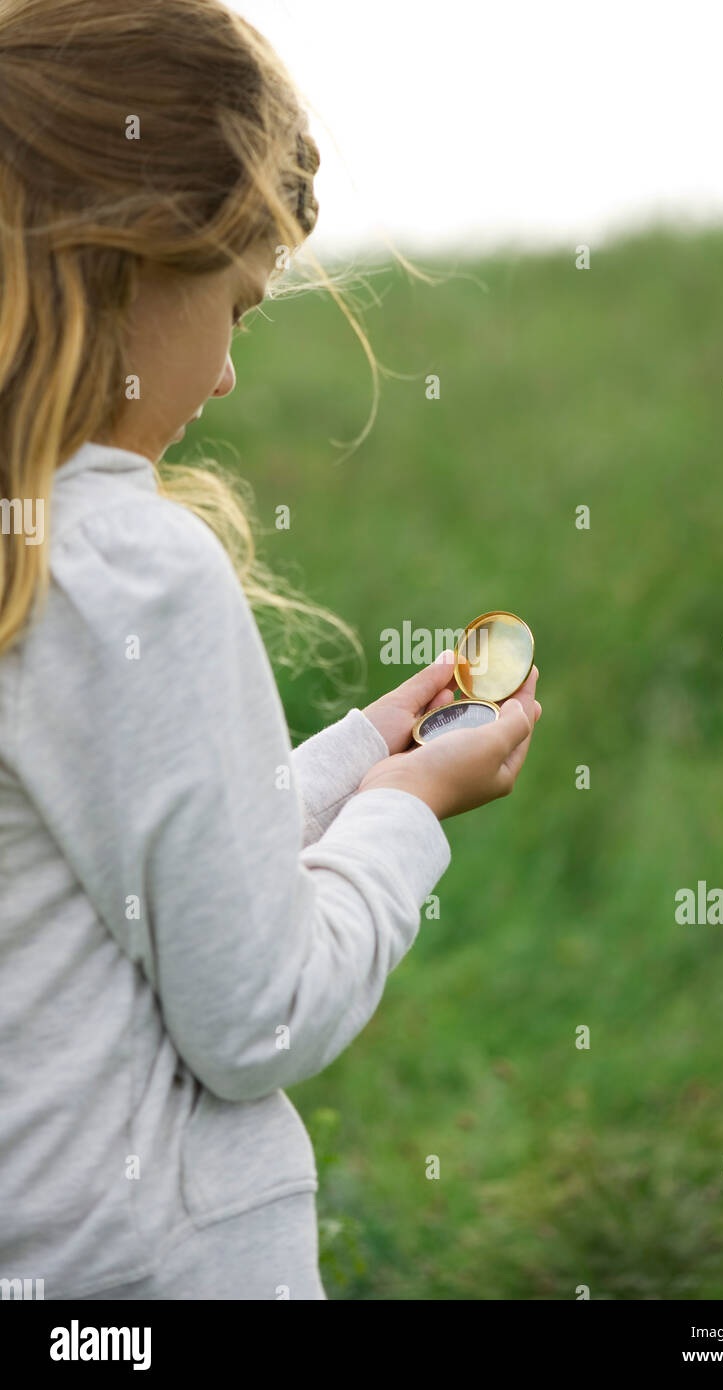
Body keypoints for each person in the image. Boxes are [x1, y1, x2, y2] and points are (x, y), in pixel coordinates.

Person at [0, 0, 541, 1300]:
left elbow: (119, 874)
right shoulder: (140, 571)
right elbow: (258, 1012)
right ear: (131, 262)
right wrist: (411, 811)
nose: (233, 372)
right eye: (237, 305)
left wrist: (358, 756)